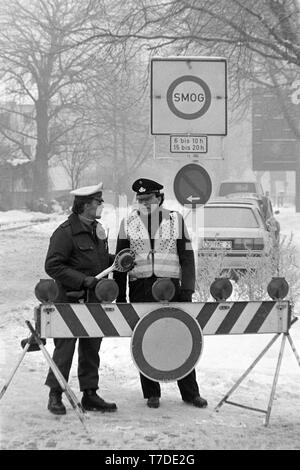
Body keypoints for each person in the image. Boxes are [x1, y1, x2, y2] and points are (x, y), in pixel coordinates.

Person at [113, 178, 208, 409]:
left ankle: (190, 392)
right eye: (140, 199)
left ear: (159, 198)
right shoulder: (128, 223)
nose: (143, 203)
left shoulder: (176, 220)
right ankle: (151, 393)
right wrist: (120, 294)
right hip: (141, 288)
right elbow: (120, 260)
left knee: (180, 336)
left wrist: (187, 289)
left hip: (172, 288)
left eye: (148, 199)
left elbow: (187, 257)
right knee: (146, 339)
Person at [44, 182, 117, 415]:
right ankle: (55, 394)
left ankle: (90, 394)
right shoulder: (65, 232)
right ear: (85, 205)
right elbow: (52, 265)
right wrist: (81, 280)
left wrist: (118, 261)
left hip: (94, 300)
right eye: (97, 202)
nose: (101, 206)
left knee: (91, 347)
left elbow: (98, 261)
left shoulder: (98, 230)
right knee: (65, 348)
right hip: (70, 299)